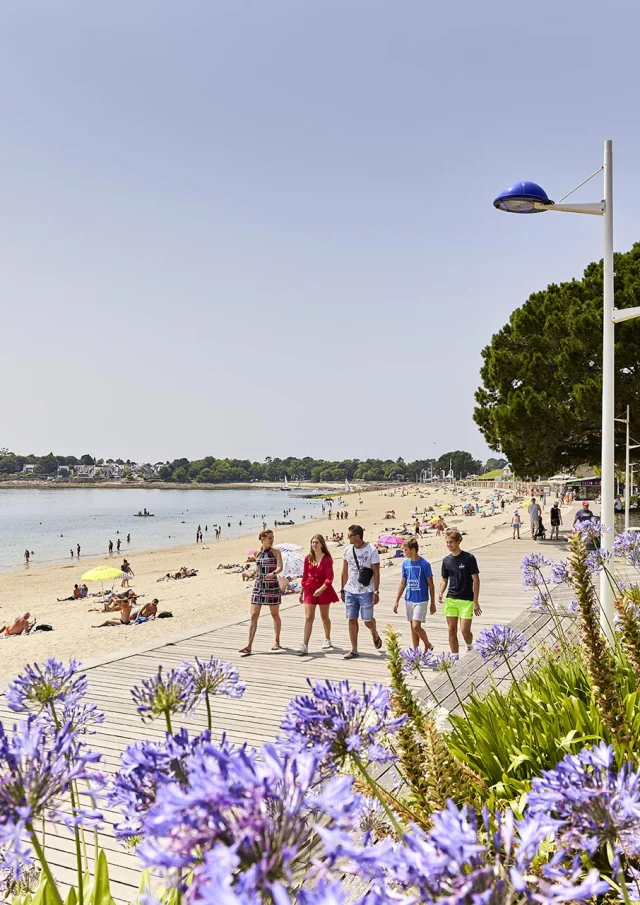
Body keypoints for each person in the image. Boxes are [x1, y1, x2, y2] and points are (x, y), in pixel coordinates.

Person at [340, 525, 382, 660]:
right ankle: (354, 649)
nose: (347, 538)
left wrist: (376, 591)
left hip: (366, 591)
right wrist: (342, 589)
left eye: (349, 535)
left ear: (357, 536)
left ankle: (374, 632)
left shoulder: (372, 551)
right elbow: (344, 571)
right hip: (350, 590)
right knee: (351, 619)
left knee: (367, 620)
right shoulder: (347, 550)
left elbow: (376, 572)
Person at [239, 530, 283, 655]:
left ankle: (277, 641)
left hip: (272, 586)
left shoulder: (276, 552)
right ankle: (249, 645)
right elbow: (258, 568)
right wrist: (251, 574)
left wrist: (273, 573)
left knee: (274, 615)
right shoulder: (257, 553)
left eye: (272, 538)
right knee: (253, 615)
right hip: (258, 586)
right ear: (263, 539)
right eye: (269, 538)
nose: (272, 540)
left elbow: (280, 567)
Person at [438, 529, 481, 658]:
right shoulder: (446, 560)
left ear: (458, 542)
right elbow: (444, 579)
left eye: (451, 542)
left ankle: (469, 646)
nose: (449, 545)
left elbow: (476, 580)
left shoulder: (469, 558)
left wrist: (476, 602)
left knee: (464, 630)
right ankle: (455, 656)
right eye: (447, 543)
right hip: (451, 598)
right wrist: (441, 591)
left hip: (467, 600)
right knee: (451, 629)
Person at [297, 534, 338, 655]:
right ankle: (304, 645)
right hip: (310, 589)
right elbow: (304, 577)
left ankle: (327, 638)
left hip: (324, 589)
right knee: (309, 617)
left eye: (316, 542)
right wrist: (301, 592)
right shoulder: (308, 558)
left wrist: (321, 588)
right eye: (312, 542)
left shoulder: (327, 559)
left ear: (321, 544)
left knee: (324, 616)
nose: (314, 545)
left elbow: (330, 578)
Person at [394, 538, 436, 652]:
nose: (404, 552)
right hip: (409, 599)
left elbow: (431, 585)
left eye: (406, 550)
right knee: (412, 628)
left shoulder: (425, 564)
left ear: (413, 550)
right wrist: (397, 600)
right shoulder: (405, 564)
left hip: (421, 599)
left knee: (416, 626)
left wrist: (433, 603)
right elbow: (403, 583)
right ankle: (416, 651)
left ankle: (427, 644)